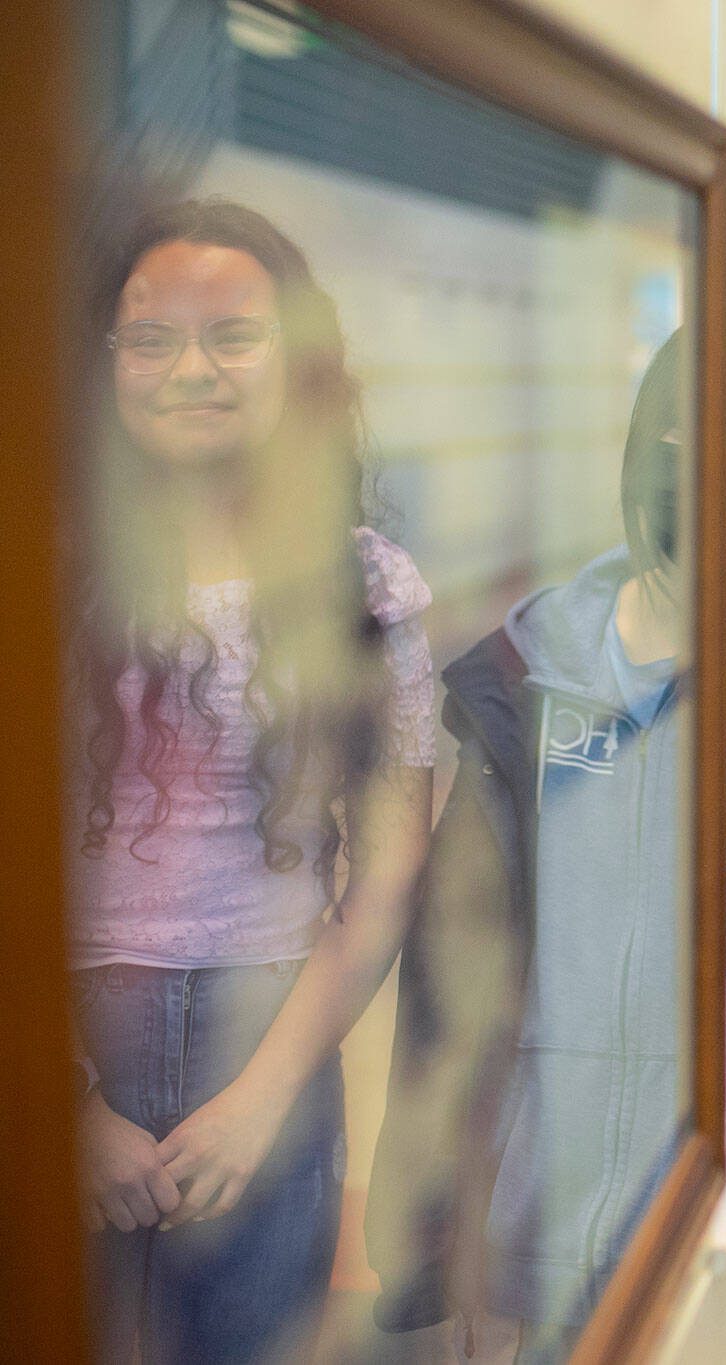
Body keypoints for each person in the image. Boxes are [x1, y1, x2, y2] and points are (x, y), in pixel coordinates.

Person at [68, 198, 435, 1363]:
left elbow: (391, 868)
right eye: (151, 338)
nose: (191, 369)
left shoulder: (366, 585)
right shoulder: (38, 566)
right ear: (106, 361)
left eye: (232, 334)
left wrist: (266, 1098)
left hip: (273, 1035)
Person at [365, 332, 693, 1361]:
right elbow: (447, 989)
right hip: (524, 1234)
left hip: (717, 1212)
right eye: (684, 434)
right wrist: (430, 1238)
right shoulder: (528, 678)